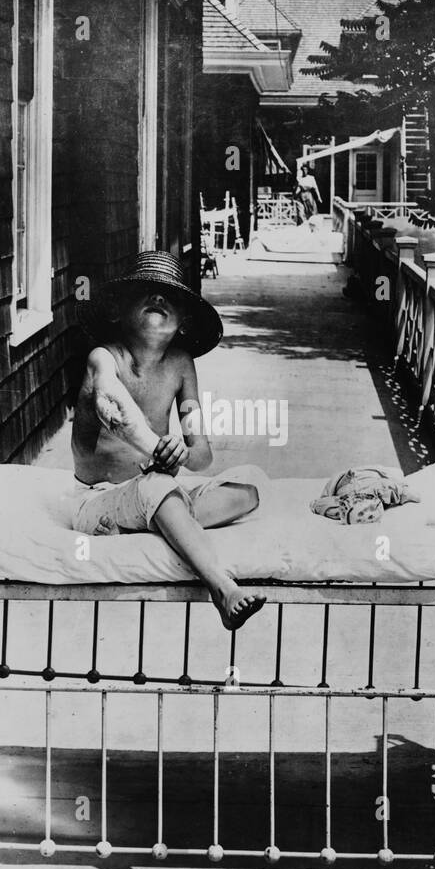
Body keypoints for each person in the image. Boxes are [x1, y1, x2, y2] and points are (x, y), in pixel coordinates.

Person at [69, 251, 268, 630]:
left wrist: (182, 451)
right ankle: (222, 588)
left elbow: (201, 454)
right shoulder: (104, 359)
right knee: (157, 485)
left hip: (153, 490)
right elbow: (118, 411)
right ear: (119, 312)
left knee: (253, 484)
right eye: (145, 293)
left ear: (182, 322)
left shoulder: (180, 364)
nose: (158, 300)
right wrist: (159, 450)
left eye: (169, 297)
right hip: (97, 498)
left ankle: (161, 521)